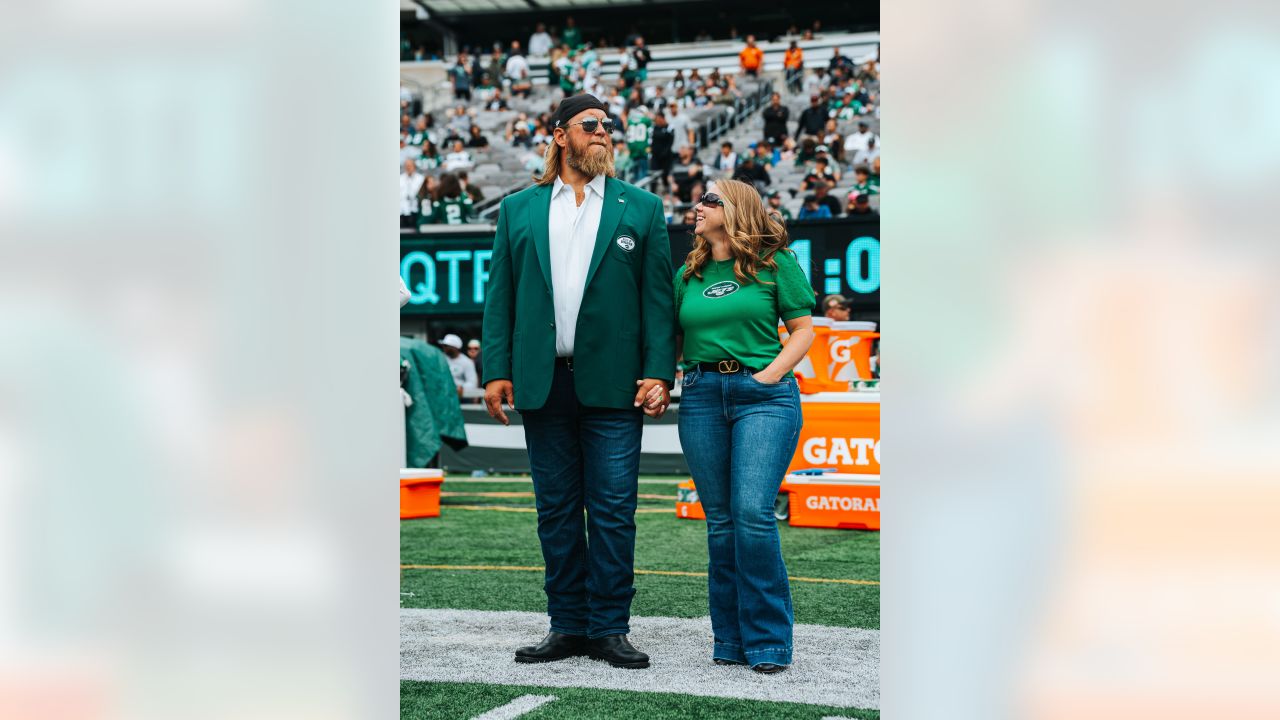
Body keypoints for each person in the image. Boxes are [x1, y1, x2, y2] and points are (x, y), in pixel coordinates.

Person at [481, 94, 675, 670]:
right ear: (560, 136)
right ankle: (567, 625)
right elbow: (501, 299)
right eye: (591, 126)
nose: (603, 135)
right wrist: (495, 370)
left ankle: (610, 627)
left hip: (616, 385)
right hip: (543, 382)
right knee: (556, 511)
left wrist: (659, 370)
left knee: (614, 510)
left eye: (608, 128)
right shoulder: (518, 209)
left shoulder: (641, 208)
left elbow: (658, 302)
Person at [658, 177, 815, 674]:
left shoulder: (775, 264)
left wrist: (768, 376)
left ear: (736, 209)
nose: (697, 206)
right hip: (702, 395)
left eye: (708, 200)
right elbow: (676, 340)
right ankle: (729, 639)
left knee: (750, 514)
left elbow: (804, 330)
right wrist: (661, 379)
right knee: (721, 523)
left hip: (762, 397)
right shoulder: (689, 272)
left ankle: (768, 642)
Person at [400, 159, 424, 230]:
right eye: (407, 166)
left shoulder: (421, 178)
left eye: (410, 166)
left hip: (416, 209)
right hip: (402, 210)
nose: (408, 167)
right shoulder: (399, 179)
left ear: (414, 166)